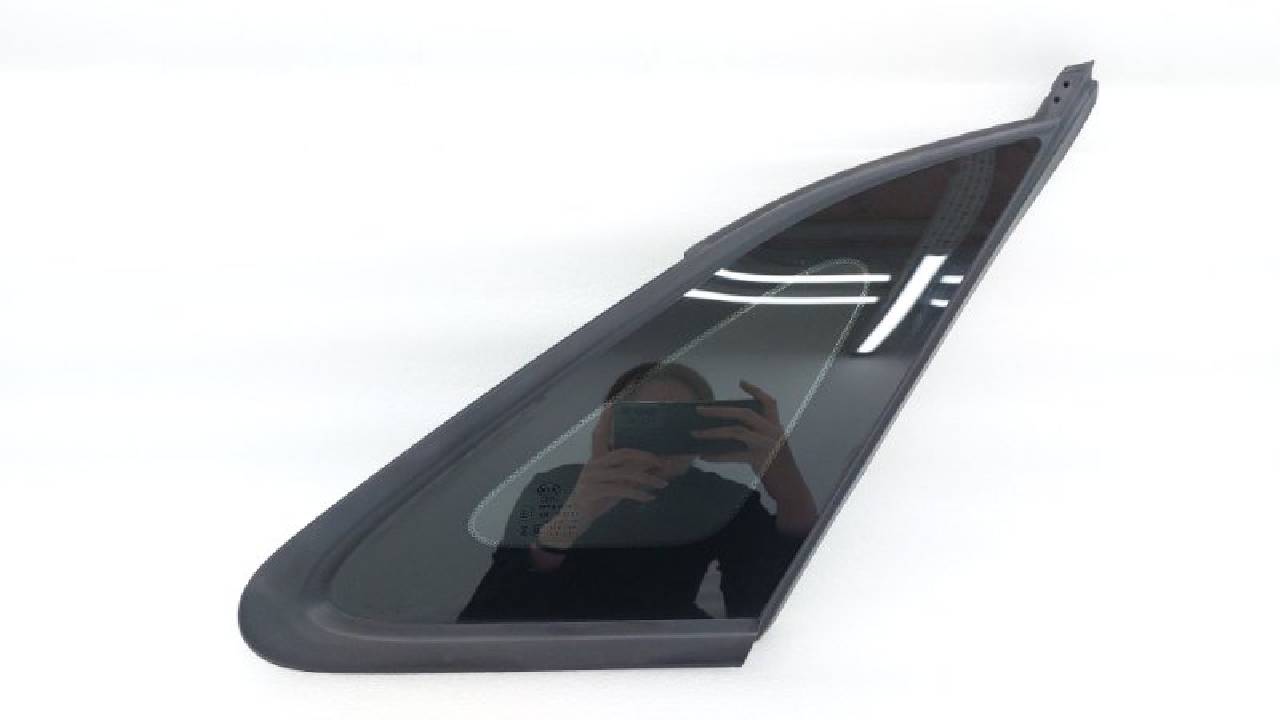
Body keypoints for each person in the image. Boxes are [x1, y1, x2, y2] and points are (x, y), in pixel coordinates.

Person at [459, 362, 818, 621]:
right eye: (646, 420)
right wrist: (574, 514)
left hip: (668, 655)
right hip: (556, 654)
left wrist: (788, 487)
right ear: (608, 426)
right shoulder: (556, 485)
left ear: (703, 427)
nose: (663, 437)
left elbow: (766, 613)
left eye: (680, 421)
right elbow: (488, 613)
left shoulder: (721, 499)